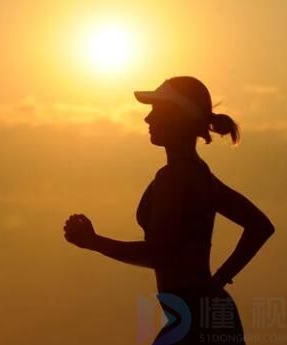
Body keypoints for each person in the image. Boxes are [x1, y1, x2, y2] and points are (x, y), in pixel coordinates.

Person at [63, 76, 275, 344]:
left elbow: (159, 254)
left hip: (195, 319)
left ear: (179, 117)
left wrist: (94, 242)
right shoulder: (200, 174)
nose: (147, 119)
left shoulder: (174, 177)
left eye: (156, 110)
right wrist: (217, 281)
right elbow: (261, 226)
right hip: (206, 314)